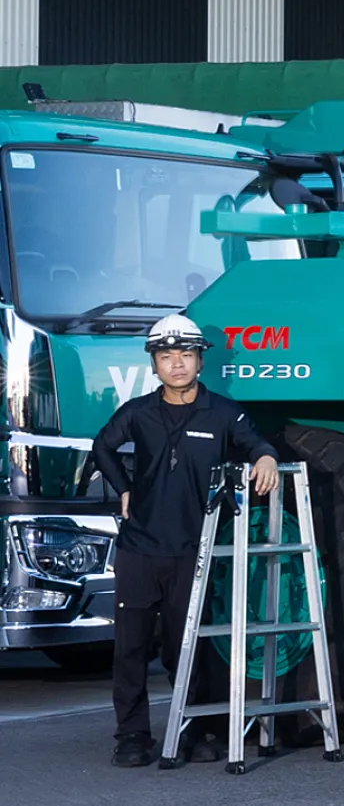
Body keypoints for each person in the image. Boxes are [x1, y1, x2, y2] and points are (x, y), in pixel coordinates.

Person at [89, 314, 278, 768]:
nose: (177, 364)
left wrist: (267, 458)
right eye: (167, 356)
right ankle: (132, 737)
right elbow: (102, 447)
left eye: (186, 355)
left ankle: (196, 730)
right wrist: (124, 488)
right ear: (154, 364)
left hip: (193, 551)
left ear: (200, 361)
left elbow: (256, 443)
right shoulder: (138, 412)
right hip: (139, 548)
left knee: (187, 648)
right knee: (131, 649)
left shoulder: (223, 412)